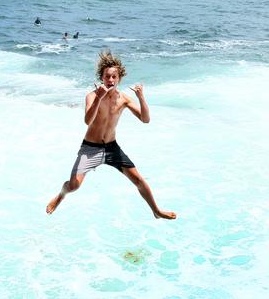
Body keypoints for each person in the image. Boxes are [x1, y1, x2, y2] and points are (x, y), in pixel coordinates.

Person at [46, 50, 176, 220]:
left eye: (114, 77)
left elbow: (145, 119)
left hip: (111, 147)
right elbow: (88, 120)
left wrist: (141, 97)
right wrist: (99, 98)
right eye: (107, 76)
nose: (111, 80)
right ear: (102, 77)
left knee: (138, 180)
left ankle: (156, 210)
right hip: (90, 147)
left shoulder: (124, 99)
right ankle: (60, 196)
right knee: (74, 185)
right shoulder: (92, 96)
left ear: (119, 78)